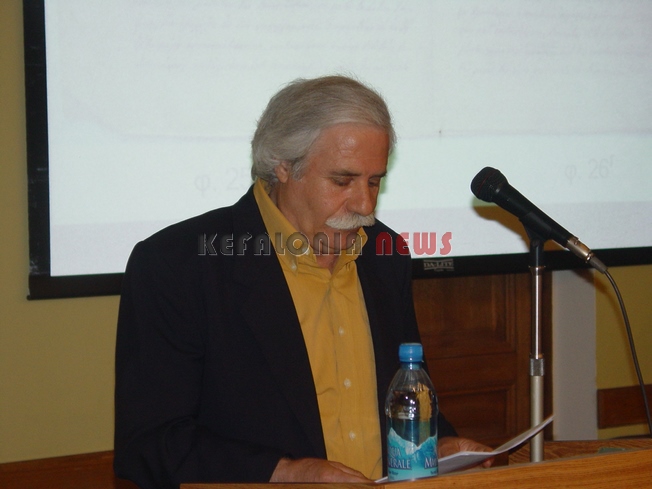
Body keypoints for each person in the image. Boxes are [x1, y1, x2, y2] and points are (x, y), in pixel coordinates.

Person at [114, 75, 492, 489]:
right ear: (283, 166)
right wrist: (285, 473)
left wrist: (438, 445)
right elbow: (150, 444)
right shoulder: (178, 264)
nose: (365, 204)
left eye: (374, 181)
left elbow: (405, 390)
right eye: (342, 181)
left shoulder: (385, 254)